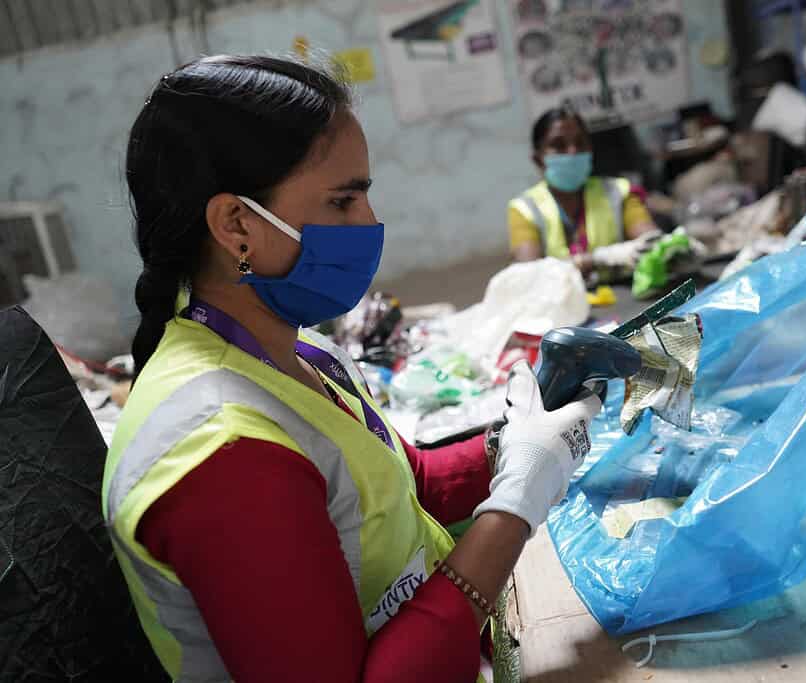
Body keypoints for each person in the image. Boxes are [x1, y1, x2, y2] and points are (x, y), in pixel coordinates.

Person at [102, 55, 601, 683]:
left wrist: (519, 442)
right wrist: (514, 510)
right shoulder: (222, 453)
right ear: (236, 225)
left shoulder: (298, 353)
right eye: (343, 201)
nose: (369, 223)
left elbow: (402, 486)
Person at [508, 107, 661, 276]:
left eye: (580, 143)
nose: (573, 151)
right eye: (559, 145)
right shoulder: (525, 209)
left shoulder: (619, 192)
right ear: (538, 159)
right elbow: (528, 272)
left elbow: (652, 243)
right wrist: (597, 259)